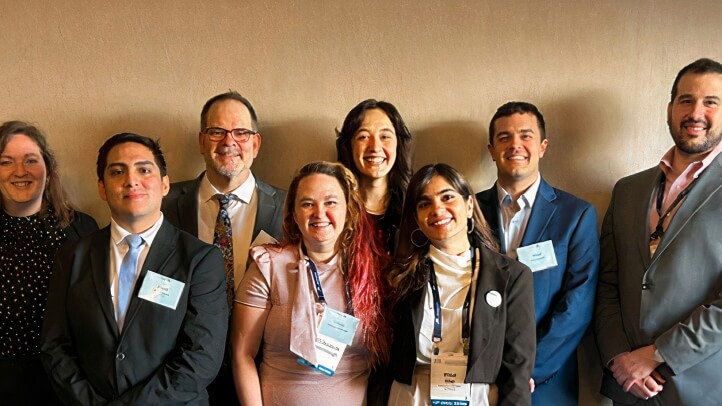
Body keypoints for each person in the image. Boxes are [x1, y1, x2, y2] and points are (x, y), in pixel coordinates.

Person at [41, 133, 228, 404]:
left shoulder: (200, 259)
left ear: (165, 184)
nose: (131, 180)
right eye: (117, 171)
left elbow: (202, 355)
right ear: (102, 188)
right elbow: (54, 346)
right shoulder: (72, 256)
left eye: (144, 169)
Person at [595, 57, 722, 405]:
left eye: (711, 102)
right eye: (686, 100)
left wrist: (657, 355)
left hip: (701, 389)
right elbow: (607, 283)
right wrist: (619, 358)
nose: (696, 112)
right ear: (670, 108)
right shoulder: (627, 190)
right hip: (627, 388)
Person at [231, 161, 391, 405]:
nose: (319, 213)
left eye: (330, 202)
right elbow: (243, 354)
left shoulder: (372, 272)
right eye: (307, 204)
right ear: (294, 214)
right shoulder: (269, 265)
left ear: (348, 210)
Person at [162, 91, 286, 404]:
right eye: (217, 132)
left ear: (255, 144)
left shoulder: (289, 208)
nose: (229, 142)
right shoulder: (164, 205)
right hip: (181, 369)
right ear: (202, 141)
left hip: (263, 370)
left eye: (241, 132)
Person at [476, 101, 600, 405]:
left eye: (525, 135)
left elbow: (578, 304)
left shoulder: (576, 215)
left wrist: (525, 369)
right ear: (491, 149)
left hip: (544, 382)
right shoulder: (469, 210)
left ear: (543, 146)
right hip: (476, 378)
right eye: (504, 137)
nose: (515, 144)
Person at [387, 163, 536, 406]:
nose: (437, 209)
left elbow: (518, 365)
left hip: (479, 396)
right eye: (424, 204)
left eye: (447, 197)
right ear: (416, 218)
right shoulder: (400, 276)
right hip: (411, 395)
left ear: (468, 206)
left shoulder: (511, 276)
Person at [0, 121, 98, 404]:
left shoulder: (82, 229)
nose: (20, 171)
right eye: (6, 162)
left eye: (31, 160)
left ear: (48, 167)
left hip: (71, 386)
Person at [336, 99, 413, 252]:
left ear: (398, 143)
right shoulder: (334, 209)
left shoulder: (415, 207)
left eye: (385, 136)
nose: (375, 147)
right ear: (349, 146)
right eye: (363, 137)